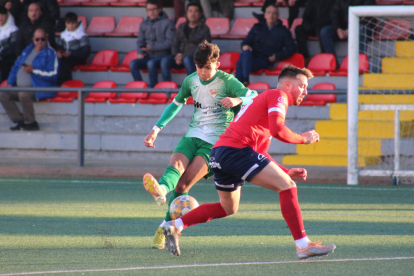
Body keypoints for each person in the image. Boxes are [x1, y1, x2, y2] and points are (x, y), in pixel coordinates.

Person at [162, 65, 336, 259]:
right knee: (288, 187)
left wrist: (284, 171)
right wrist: (304, 138)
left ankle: (174, 225)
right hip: (235, 151)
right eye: (302, 86)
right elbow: (278, 130)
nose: (306, 91)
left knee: (228, 208)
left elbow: (260, 152)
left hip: (220, 153)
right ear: (287, 84)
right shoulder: (278, 96)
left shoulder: (265, 105)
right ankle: (303, 245)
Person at [142, 40, 257, 250]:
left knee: (184, 185)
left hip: (215, 144)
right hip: (193, 135)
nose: (203, 73)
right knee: (176, 164)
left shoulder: (227, 81)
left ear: (217, 65)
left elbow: (254, 96)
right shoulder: (191, 81)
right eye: (199, 67)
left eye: (208, 68)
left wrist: (236, 100)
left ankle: (163, 228)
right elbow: (176, 104)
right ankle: (161, 191)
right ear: (194, 65)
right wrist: (156, 129)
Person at [0, 28, 58, 131]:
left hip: (39, 87)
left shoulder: (51, 53)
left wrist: (33, 71)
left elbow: (53, 74)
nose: (39, 42)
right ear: (33, 40)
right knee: (3, 93)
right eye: (37, 39)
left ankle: (30, 122)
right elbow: (16, 67)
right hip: (20, 87)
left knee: (24, 94)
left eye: (42, 39)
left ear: (47, 39)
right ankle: (20, 121)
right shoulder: (27, 50)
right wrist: (10, 82)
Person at [236, 4, 296, 86]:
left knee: (241, 61)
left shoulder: (284, 31)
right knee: (245, 53)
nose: (271, 15)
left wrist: (277, 56)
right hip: (252, 57)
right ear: (265, 15)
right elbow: (246, 41)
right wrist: (245, 45)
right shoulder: (257, 27)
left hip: (266, 60)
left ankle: (239, 85)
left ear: (278, 16)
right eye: (269, 12)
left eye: (274, 13)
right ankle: (245, 80)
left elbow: (291, 48)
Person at [129, 0, 175, 88]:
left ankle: (153, 89)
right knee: (133, 64)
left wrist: (152, 47)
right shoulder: (143, 24)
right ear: (146, 11)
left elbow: (170, 42)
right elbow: (140, 41)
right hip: (149, 56)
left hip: (165, 55)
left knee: (151, 63)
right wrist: (140, 52)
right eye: (149, 10)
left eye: (154, 9)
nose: (152, 12)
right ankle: (140, 89)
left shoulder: (168, 22)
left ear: (160, 10)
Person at [319, 0, 376, 66]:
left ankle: (360, 64)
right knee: (325, 31)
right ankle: (333, 64)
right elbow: (334, 13)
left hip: (364, 26)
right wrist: (338, 28)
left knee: (361, 30)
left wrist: (352, 28)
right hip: (346, 27)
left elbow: (367, 16)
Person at [171, 2, 211, 75]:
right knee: (164, 61)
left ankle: (192, 85)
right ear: (187, 13)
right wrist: (176, 55)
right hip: (180, 57)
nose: (192, 14)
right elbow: (174, 44)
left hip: (195, 58)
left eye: (196, 11)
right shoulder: (181, 27)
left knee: (187, 59)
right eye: (190, 11)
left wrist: (183, 56)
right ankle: (165, 85)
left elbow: (202, 48)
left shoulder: (204, 29)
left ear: (200, 14)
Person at [56, 12, 90, 85]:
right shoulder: (63, 35)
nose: (71, 26)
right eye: (68, 23)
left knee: (64, 62)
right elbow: (59, 47)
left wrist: (71, 54)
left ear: (77, 23)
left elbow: (85, 52)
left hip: (77, 58)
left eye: (73, 23)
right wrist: (59, 53)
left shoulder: (82, 35)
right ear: (65, 24)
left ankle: (66, 84)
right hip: (65, 57)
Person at [0, 7, 19, 82]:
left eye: (2, 14)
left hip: (6, 61)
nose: (0, 17)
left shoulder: (13, 29)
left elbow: (12, 47)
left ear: (7, 16)